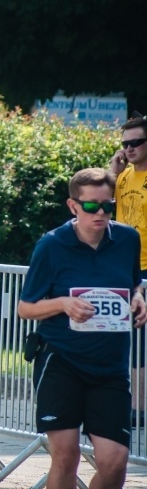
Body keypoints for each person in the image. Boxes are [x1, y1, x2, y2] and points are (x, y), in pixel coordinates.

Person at [19, 168, 146, 489]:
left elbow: (134, 284)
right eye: (91, 205)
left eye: (108, 205)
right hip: (61, 360)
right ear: (73, 205)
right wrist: (62, 304)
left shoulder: (126, 239)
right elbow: (26, 308)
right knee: (66, 456)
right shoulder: (52, 245)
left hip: (109, 366)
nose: (100, 213)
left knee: (115, 462)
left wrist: (139, 298)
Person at [111, 112, 147, 427]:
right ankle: (132, 403)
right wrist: (113, 170)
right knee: (130, 336)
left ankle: (139, 406)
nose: (130, 148)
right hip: (126, 266)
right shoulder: (123, 175)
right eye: (125, 144)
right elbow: (103, 205)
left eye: (136, 142)